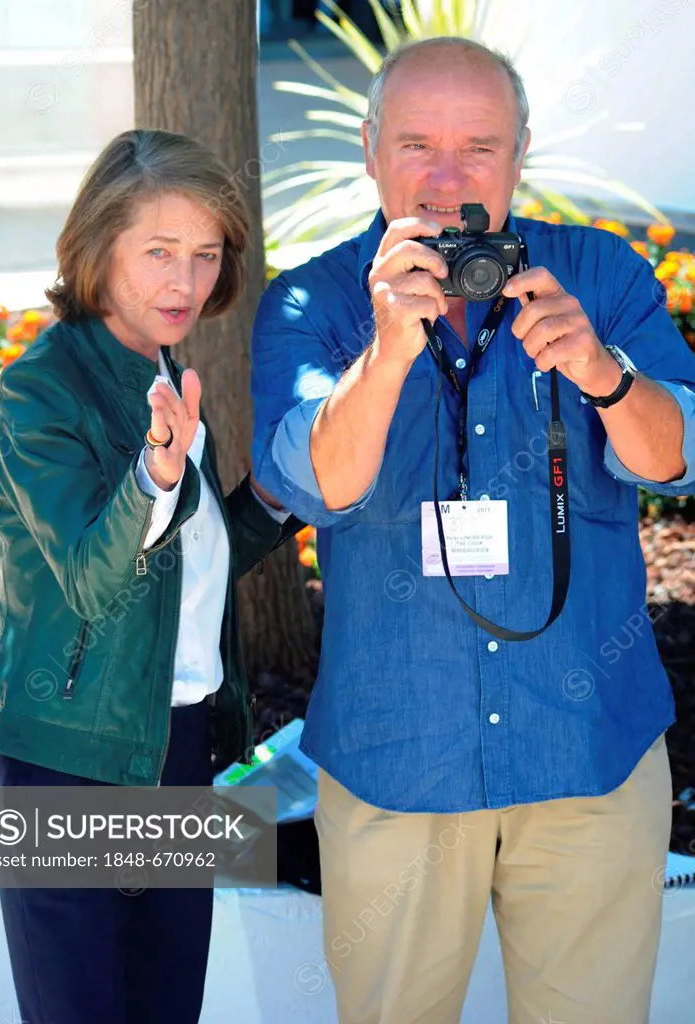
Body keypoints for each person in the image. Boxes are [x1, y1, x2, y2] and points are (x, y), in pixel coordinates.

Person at [251, 37, 695, 1024]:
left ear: (520, 153)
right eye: (416, 144)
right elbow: (310, 483)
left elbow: (676, 456)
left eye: (478, 148)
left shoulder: (598, 273)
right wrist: (385, 352)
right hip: (397, 760)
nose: (447, 180)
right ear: (369, 150)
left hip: (585, 754)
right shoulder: (310, 300)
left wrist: (603, 372)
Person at [0, 128, 297, 1024]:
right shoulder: (39, 391)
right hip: (63, 754)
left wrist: (271, 498)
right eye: (159, 252)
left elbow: (180, 567)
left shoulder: (162, 368)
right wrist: (155, 472)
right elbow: (90, 575)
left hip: (175, 744)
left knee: (165, 1009)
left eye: (203, 255)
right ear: (95, 247)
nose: (185, 282)